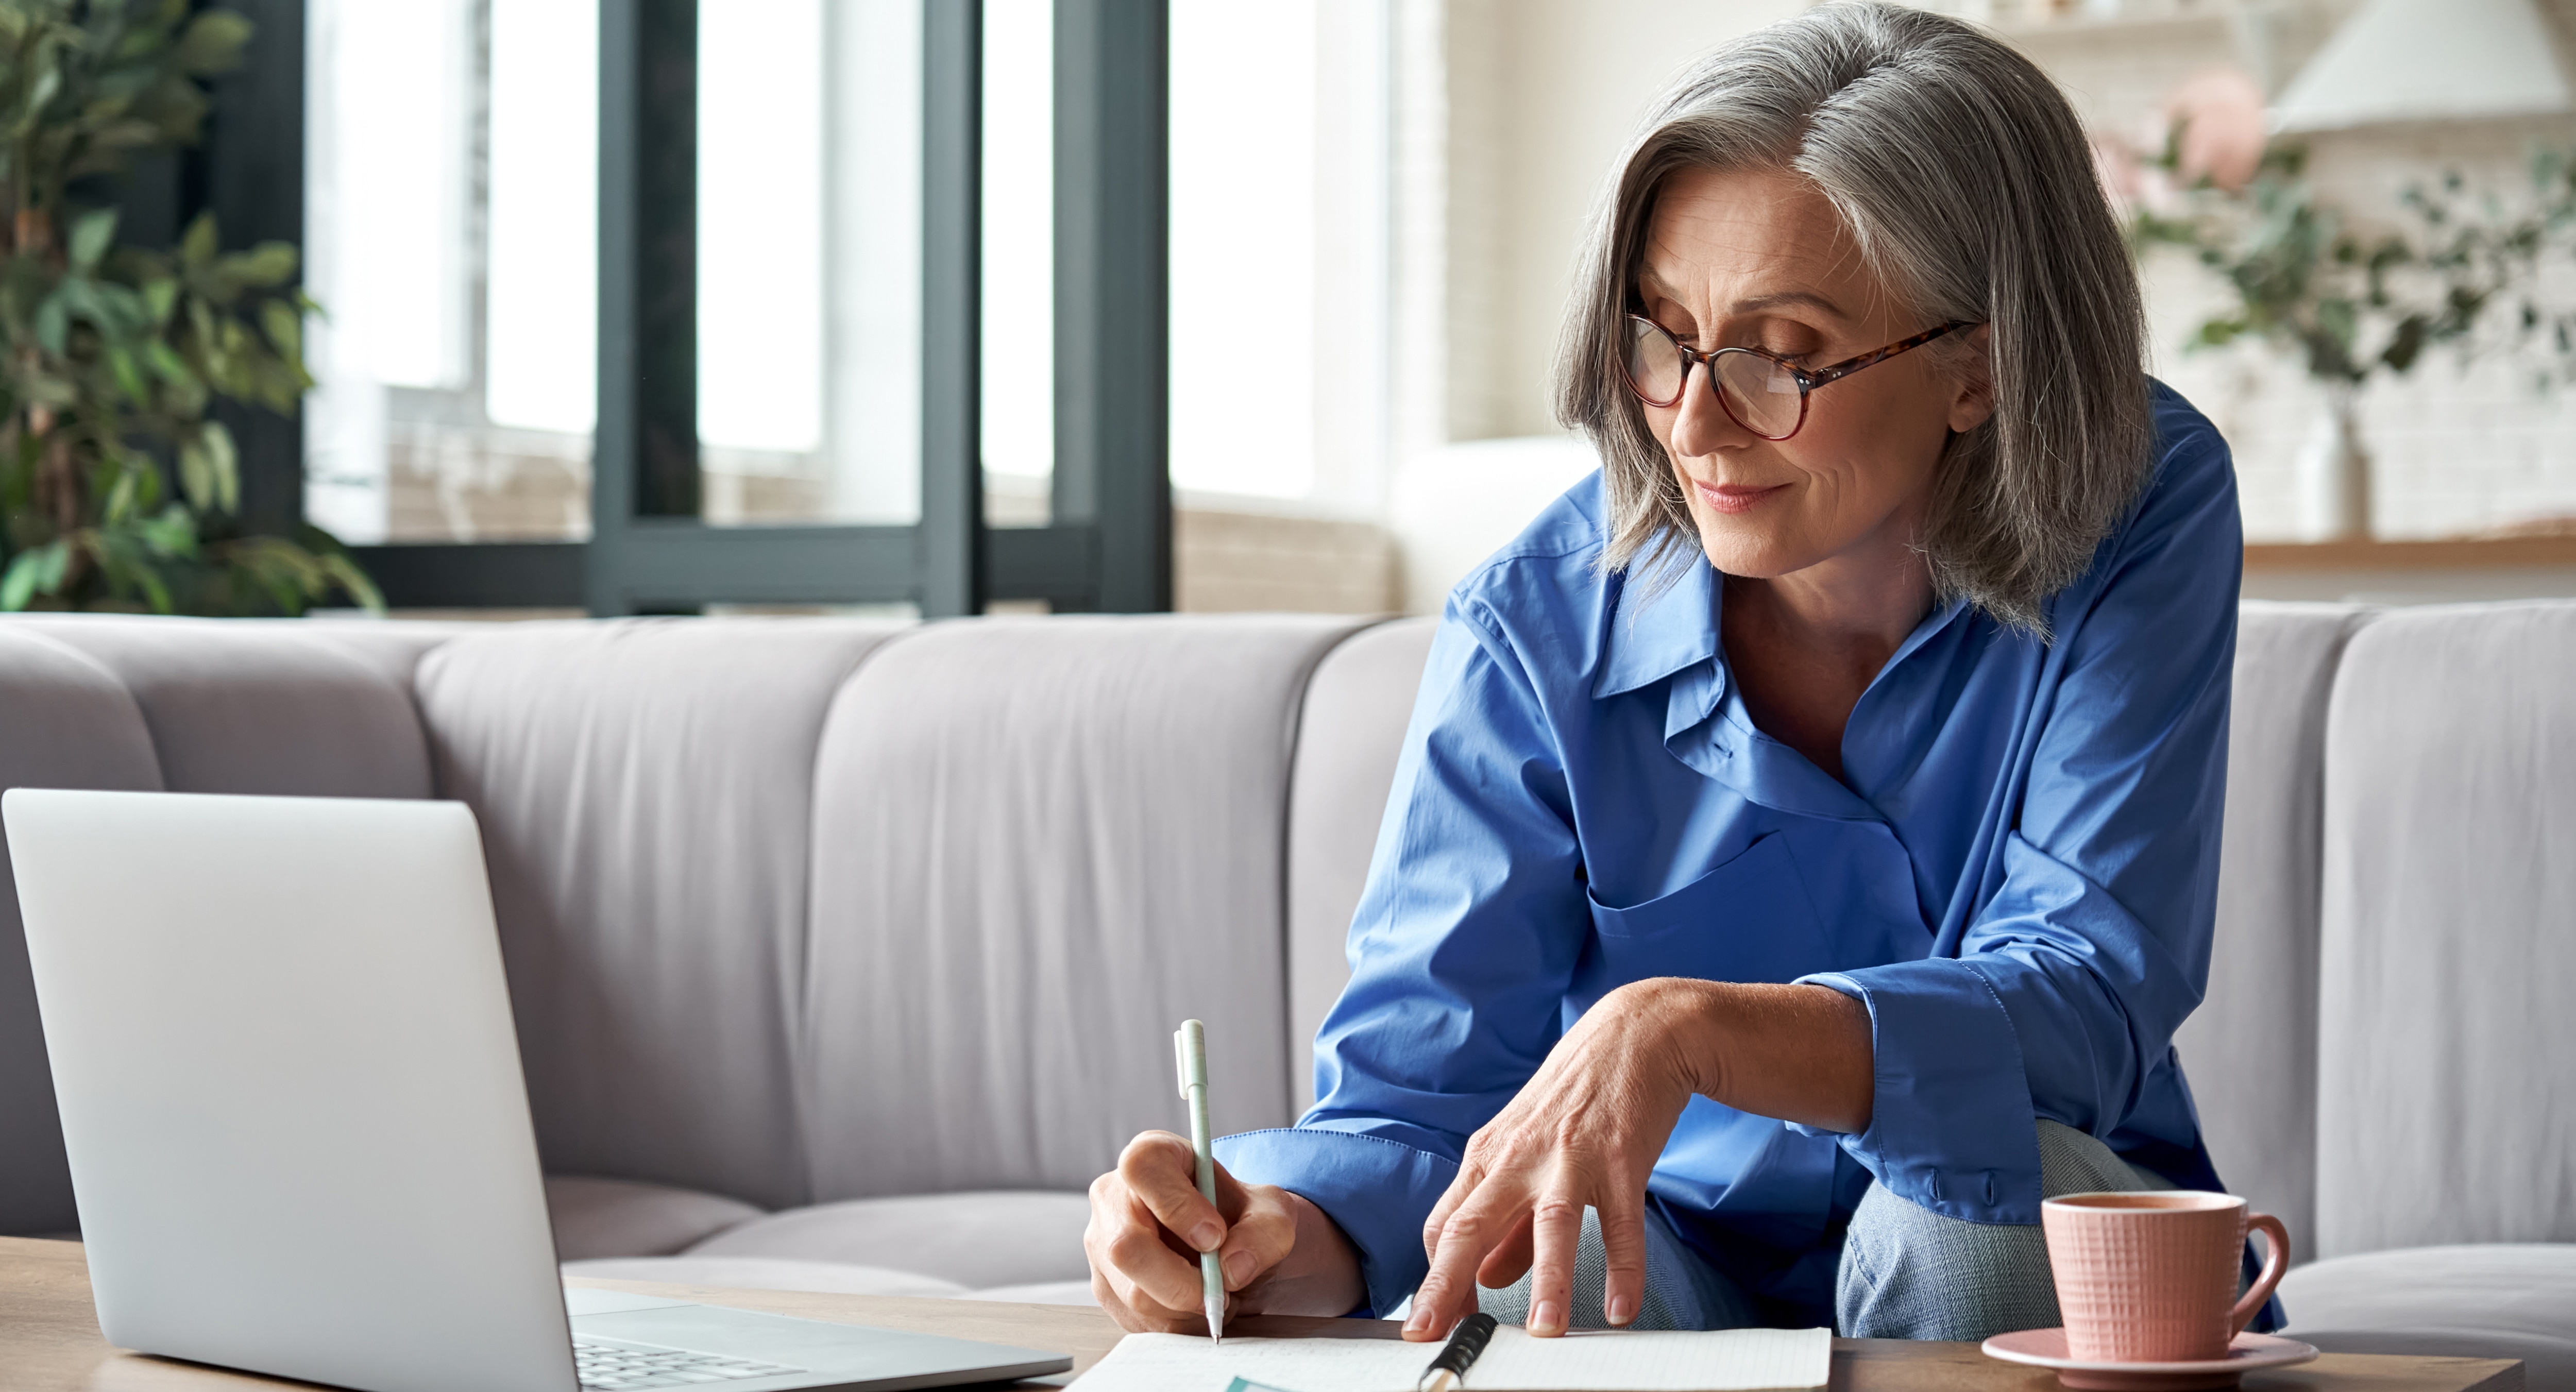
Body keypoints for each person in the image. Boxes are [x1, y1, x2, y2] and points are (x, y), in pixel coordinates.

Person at [1087, 0, 2261, 1342]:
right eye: (1661, 337)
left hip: (2005, 1228)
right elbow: (1419, 1104)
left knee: (1971, 1208)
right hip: (1674, 1247)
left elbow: (2086, 990)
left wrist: (1694, 1028)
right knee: (1538, 1254)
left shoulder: (2140, 501)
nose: (1694, 422)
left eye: (1781, 355)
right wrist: (1267, 1237)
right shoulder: (1533, 622)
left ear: (1977, 373)